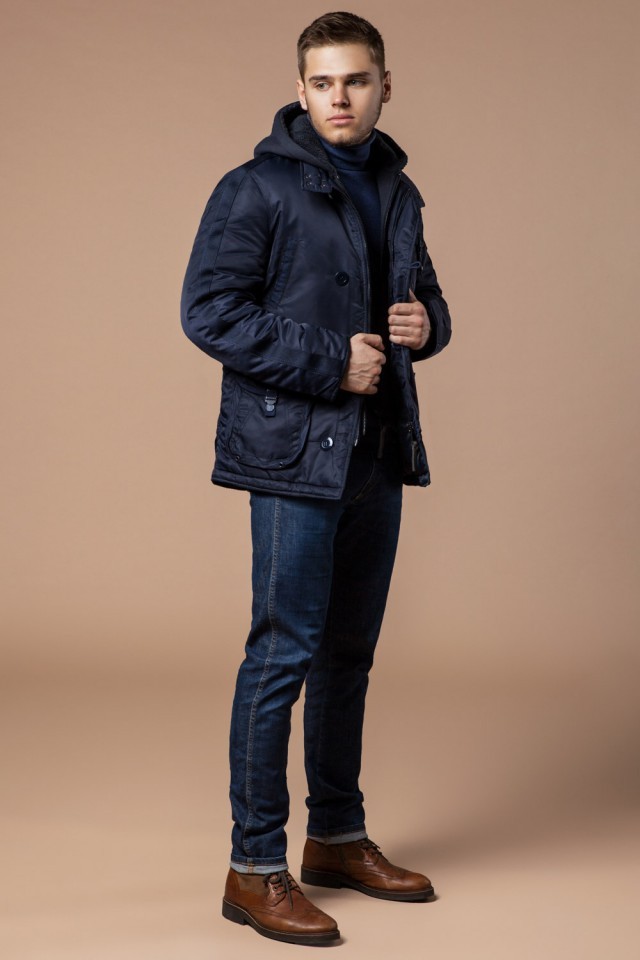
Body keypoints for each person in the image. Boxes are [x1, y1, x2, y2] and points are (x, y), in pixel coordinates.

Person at [181, 11, 452, 947]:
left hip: (377, 452)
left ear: (385, 87)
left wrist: (429, 325)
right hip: (294, 455)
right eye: (324, 83)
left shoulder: (399, 187)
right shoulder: (254, 187)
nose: (341, 98)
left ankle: (335, 837)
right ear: (301, 91)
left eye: (357, 80)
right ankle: (254, 865)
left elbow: (426, 297)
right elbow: (209, 311)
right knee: (282, 654)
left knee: (349, 655)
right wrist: (331, 360)